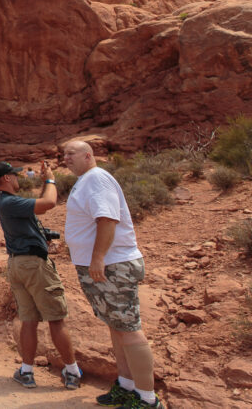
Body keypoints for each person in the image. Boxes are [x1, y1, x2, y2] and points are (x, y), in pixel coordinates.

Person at [63, 140, 162, 408]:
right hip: (102, 266)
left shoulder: (96, 179)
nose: (66, 158)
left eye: (71, 153)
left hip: (112, 266)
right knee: (117, 327)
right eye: (64, 154)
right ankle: (127, 386)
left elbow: (107, 219)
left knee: (128, 329)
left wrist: (98, 258)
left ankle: (147, 399)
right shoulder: (86, 180)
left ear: (88, 155)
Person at [0, 160, 82, 391]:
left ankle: (27, 371)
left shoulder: (4, 202)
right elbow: (48, 202)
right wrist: (50, 179)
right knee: (56, 318)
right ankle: (72, 371)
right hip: (34, 265)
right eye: (16, 175)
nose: (19, 179)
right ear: (8, 179)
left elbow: (37, 207)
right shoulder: (10, 201)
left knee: (29, 320)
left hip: (17, 264)